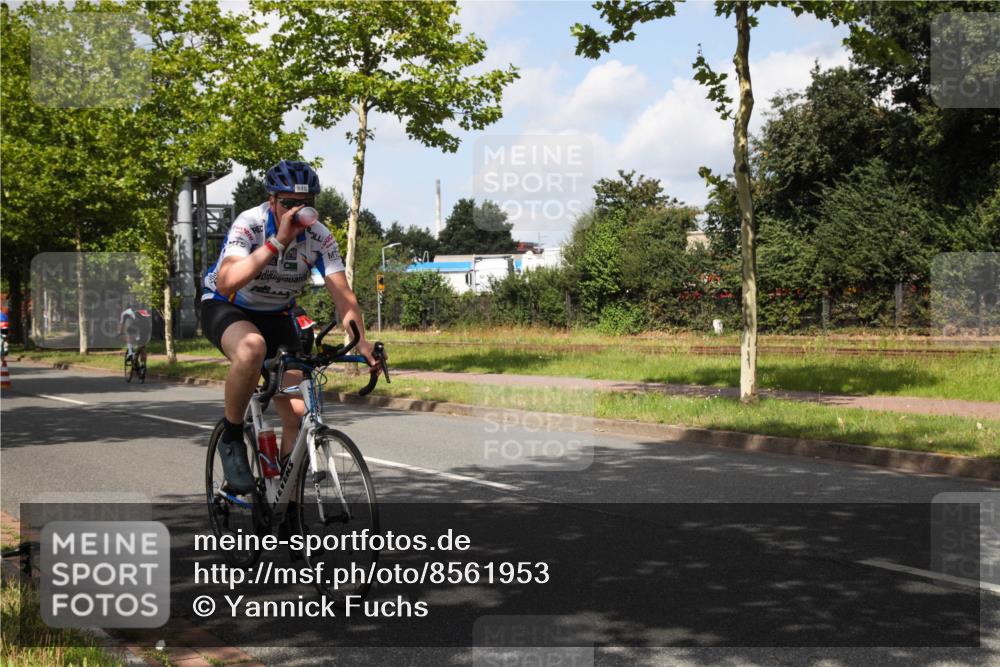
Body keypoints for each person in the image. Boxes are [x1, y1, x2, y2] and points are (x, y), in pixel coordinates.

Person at [201, 160, 379, 494]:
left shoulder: (319, 236)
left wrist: (362, 341)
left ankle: (286, 502)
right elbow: (226, 282)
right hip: (228, 306)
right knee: (252, 347)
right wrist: (277, 243)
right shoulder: (251, 224)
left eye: (306, 204)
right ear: (271, 201)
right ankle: (232, 438)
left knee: (297, 410)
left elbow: (343, 297)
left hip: (279, 315)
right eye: (288, 203)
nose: (297, 211)